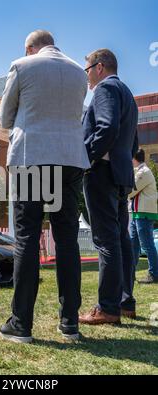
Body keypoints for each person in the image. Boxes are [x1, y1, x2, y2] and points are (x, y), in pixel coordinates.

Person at [0, 30, 90, 343]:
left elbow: (5, 117)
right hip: (70, 159)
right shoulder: (80, 72)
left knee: (26, 236)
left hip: (31, 156)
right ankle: (70, 323)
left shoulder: (21, 66)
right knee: (67, 240)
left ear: (30, 47)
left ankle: (21, 324)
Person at [80, 49, 139, 325]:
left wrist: (85, 157)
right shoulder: (127, 94)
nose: (87, 75)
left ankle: (107, 307)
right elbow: (134, 144)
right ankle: (125, 302)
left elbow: (106, 128)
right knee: (121, 240)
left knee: (106, 241)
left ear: (99, 67)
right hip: (121, 174)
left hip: (102, 173)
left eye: (87, 69)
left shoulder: (104, 90)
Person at [129, 149, 158, 284]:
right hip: (138, 213)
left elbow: (130, 191)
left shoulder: (143, 172)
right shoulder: (140, 171)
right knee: (133, 245)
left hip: (144, 214)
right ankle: (130, 273)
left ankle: (154, 274)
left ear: (134, 158)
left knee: (147, 245)